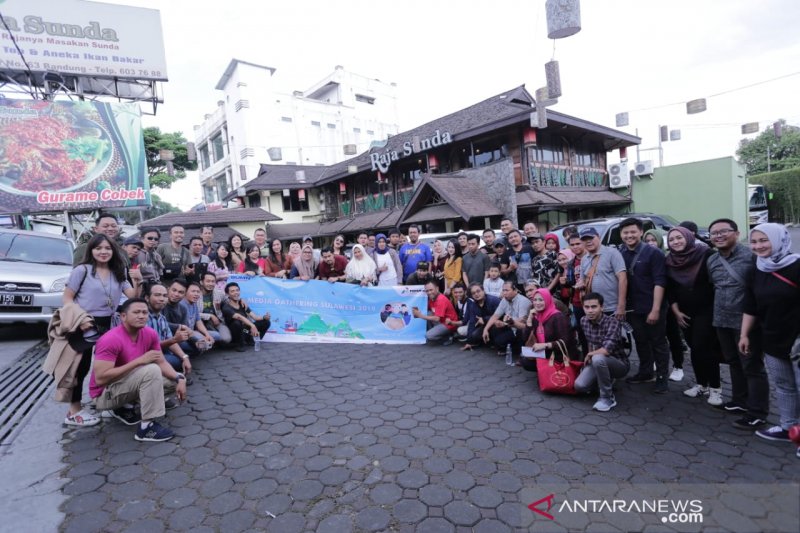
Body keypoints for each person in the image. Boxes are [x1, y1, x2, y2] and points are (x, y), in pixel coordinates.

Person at [60, 234, 137, 426]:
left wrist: (138, 280)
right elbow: (67, 298)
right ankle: (74, 411)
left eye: (108, 248)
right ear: (91, 251)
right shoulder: (82, 270)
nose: (103, 252)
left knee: (112, 364)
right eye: (98, 248)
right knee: (80, 367)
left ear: (114, 251)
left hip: (110, 324)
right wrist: (81, 318)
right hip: (84, 324)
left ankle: (109, 401)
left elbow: (132, 296)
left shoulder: (118, 270)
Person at [88, 298, 186, 442]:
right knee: (151, 370)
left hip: (126, 384)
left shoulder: (150, 333)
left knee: (172, 381)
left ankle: (125, 407)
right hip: (103, 395)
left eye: (145, 313)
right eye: (136, 312)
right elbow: (101, 379)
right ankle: (146, 428)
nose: (141, 316)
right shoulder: (110, 339)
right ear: (123, 316)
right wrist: (139, 361)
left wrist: (180, 378)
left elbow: (162, 362)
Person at [739, 223, 800, 447]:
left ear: (778, 239)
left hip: (797, 340)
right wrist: (744, 334)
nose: (758, 246)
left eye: (764, 240)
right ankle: (788, 427)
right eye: (754, 242)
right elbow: (751, 305)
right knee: (784, 385)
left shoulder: (796, 266)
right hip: (771, 337)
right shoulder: (757, 269)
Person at [706, 218, 770, 430]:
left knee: (752, 366)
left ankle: (757, 412)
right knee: (733, 361)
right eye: (714, 233)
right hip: (721, 319)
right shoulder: (712, 260)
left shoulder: (752, 257)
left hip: (746, 322)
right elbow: (713, 286)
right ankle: (740, 401)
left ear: (736, 233)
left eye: (724, 231)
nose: (719, 236)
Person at [665, 227, 721, 404]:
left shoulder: (706, 254)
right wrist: (676, 312)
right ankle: (701, 385)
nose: (676, 242)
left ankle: (715, 388)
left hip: (707, 310)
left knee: (705, 348)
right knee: (694, 349)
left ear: (689, 237)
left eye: (679, 237)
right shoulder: (670, 260)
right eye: (672, 239)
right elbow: (671, 290)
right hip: (683, 312)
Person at [618, 218, 671, 393]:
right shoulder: (621, 253)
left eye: (633, 232)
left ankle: (662, 377)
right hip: (633, 308)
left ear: (641, 232)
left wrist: (656, 309)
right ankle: (645, 372)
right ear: (621, 235)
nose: (629, 235)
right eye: (625, 233)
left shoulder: (653, 253)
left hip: (653, 306)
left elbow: (660, 281)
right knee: (640, 341)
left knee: (658, 342)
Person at [574, 292, 630, 412]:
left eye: (594, 307)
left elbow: (605, 350)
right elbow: (590, 342)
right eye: (586, 307)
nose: (590, 310)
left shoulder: (613, 322)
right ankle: (604, 380)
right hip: (597, 360)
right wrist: (589, 358)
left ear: (602, 307)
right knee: (580, 386)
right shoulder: (584, 320)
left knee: (598, 358)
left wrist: (589, 355)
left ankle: (607, 398)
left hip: (619, 364)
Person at [644, 228, 687, 380]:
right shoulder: (646, 257)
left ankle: (678, 366)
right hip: (653, 302)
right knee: (655, 336)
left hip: (670, 303)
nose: (650, 243)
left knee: (673, 335)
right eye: (647, 241)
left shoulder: (668, 258)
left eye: (653, 240)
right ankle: (659, 362)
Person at [576, 227, 627, 320]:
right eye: (584, 239)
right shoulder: (584, 259)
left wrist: (621, 306)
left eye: (591, 238)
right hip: (593, 310)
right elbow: (582, 280)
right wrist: (581, 284)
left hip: (612, 308)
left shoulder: (612, 253)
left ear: (598, 237)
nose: (588, 242)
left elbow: (623, 279)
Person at [144, 283, 193, 379]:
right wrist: (174, 339)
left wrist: (185, 357)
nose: (162, 299)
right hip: (146, 356)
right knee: (176, 361)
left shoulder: (161, 318)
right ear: (147, 298)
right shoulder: (143, 317)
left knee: (185, 356)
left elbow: (170, 339)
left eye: (164, 296)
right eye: (157, 295)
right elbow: (149, 348)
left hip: (162, 351)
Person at [522, 288, 576, 372]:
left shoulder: (558, 317)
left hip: (559, 354)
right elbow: (525, 338)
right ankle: (546, 371)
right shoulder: (536, 316)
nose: (537, 303)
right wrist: (529, 320)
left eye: (541, 300)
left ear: (547, 300)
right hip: (545, 352)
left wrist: (545, 345)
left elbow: (565, 342)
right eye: (535, 300)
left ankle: (554, 371)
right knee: (526, 361)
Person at [482, 281, 532, 358]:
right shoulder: (504, 300)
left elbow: (522, 321)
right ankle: (504, 347)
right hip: (510, 326)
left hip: (520, 329)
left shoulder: (523, 301)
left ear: (515, 290)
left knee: (500, 340)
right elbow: (495, 316)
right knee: (491, 322)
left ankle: (517, 350)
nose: (504, 293)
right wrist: (485, 329)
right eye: (503, 290)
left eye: (507, 290)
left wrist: (504, 323)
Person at [222, 282, 271, 351]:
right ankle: (239, 344)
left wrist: (264, 317)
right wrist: (252, 326)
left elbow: (255, 317)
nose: (236, 293)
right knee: (237, 323)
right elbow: (239, 317)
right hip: (235, 332)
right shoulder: (226, 307)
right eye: (232, 291)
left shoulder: (242, 304)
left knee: (266, 322)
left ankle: (250, 339)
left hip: (245, 330)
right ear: (227, 294)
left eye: (237, 290)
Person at [162, 279, 200, 358]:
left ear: (184, 295)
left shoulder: (182, 308)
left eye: (180, 292)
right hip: (163, 340)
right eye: (174, 290)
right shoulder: (161, 304)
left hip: (178, 340)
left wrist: (196, 341)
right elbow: (163, 324)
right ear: (168, 289)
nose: (176, 294)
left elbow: (186, 329)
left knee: (198, 348)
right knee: (176, 361)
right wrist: (180, 326)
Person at [412, 280, 458, 345]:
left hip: (449, 324)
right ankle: (436, 333)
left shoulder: (441, 299)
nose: (429, 292)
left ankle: (449, 337)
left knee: (428, 336)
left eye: (431, 290)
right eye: (427, 291)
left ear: (437, 288)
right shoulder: (432, 298)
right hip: (442, 321)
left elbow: (437, 319)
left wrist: (420, 315)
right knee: (427, 313)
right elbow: (428, 311)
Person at [566, 233, 589, 356]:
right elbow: (570, 283)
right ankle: (586, 358)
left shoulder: (592, 258)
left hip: (592, 301)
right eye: (572, 244)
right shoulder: (571, 263)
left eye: (578, 243)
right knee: (582, 332)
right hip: (577, 302)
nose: (575, 247)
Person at [461, 283, 501, 350]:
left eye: (478, 291)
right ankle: (485, 340)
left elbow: (500, 316)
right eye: (473, 293)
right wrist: (469, 342)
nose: (476, 294)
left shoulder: (494, 300)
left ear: (483, 291)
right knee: (474, 335)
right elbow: (472, 322)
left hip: (498, 324)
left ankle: (496, 342)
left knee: (496, 328)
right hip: (484, 325)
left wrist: (485, 319)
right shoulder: (473, 305)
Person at [181, 282, 216, 352]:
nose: (196, 294)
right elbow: (183, 329)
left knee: (217, 335)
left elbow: (198, 322)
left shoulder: (194, 304)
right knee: (202, 345)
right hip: (184, 335)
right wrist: (201, 337)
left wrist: (207, 334)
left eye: (198, 292)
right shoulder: (181, 305)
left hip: (193, 332)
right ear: (185, 292)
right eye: (193, 291)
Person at [198, 272, 232, 345]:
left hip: (217, 322)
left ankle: (212, 339)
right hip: (201, 323)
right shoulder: (196, 294)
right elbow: (194, 313)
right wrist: (210, 316)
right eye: (208, 281)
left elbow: (229, 300)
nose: (211, 284)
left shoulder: (218, 293)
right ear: (201, 282)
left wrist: (240, 300)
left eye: (213, 281)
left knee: (226, 339)